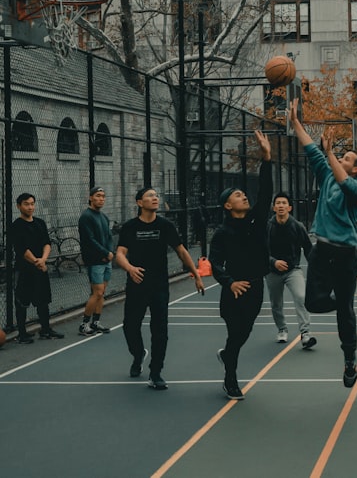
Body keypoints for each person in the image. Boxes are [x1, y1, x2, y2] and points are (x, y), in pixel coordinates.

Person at [289, 98, 357, 388]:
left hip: (345, 254)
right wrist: (296, 121)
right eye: (342, 157)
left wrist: (331, 152)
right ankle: (341, 302)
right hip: (321, 252)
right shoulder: (326, 175)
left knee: (345, 313)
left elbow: (341, 177)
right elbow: (310, 149)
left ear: (356, 169)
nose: (343, 160)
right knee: (312, 302)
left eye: (348, 158)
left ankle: (349, 359)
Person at [114, 187, 204, 389]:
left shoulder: (165, 225)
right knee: (130, 326)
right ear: (139, 202)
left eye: (156, 196)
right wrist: (129, 268)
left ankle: (156, 373)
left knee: (160, 330)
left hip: (159, 285)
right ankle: (138, 355)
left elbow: (181, 250)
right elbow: (119, 253)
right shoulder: (130, 227)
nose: (155, 198)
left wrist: (196, 274)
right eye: (150, 196)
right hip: (137, 284)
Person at [210, 130, 273, 400]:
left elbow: (266, 191)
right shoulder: (223, 233)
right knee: (235, 335)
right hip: (234, 290)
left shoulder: (257, 220)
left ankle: (226, 356)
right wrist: (230, 282)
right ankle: (231, 380)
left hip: (256, 287)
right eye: (238, 194)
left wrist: (266, 158)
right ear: (227, 204)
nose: (244, 196)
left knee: (243, 334)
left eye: (243, 193)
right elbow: (214, 263)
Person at [9, 193, 63, 344]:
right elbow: (22, 249)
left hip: (40, 267)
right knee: (22, 302)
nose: (30, 207)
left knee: (43, 300)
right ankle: (22, 334)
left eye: (32, 204)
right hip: (24, 269)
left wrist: (43, 260)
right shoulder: (17, 225)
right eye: (26, 204)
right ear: (19, 206)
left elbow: (46, 243)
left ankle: (45, 330)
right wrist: (36, 262)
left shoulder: (40, 223)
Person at [266, 191, 316, 349]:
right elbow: (260, 251)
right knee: (276, 303)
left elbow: (308, 249)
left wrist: (316, 270)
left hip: (293, 270)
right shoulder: (267, 227)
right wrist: (273, 262)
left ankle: (305, 334)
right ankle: (282, 329)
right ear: (274, 208)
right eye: (278, 203)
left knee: (301, 297)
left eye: (283, 203)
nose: (281, 206)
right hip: (272, 271)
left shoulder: (297, 226)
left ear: (290, 207)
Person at [78, 186, 114, 337]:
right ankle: (84, 324)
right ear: (91, 197)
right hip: (95, 261)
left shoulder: (104, 217)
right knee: (97, 292)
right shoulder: (86, 217)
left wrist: (110, 252)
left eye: (103, 196)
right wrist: (105, 253)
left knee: (101, 293)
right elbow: (90, 240)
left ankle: (96, 322)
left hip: (106, 261)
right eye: (98, 196)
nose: (101, 199)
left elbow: (109, 237)